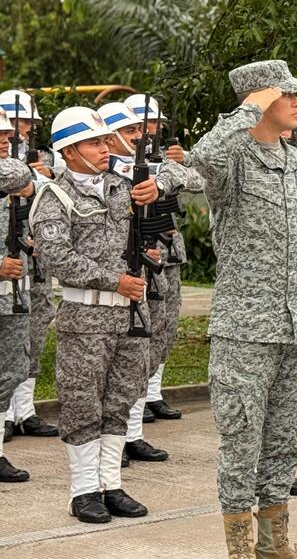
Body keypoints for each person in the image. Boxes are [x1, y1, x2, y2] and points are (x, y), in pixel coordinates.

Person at [173, 60, 297, 559]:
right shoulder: (234, 161)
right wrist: (248, 107)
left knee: (286, 442)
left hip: (296, 328)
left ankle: (274, 546)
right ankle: (241, 551)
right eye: (287, 94)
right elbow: (202, 155)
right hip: (245, 329)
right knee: (241, 443)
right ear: (262, 101)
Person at [31, 106, 160, 523]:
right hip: (85, 317)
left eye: (105, 141)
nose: (104, 148)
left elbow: (130, 240)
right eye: (93, 142)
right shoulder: (55, 196)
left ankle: (111, 484)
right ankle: (84, 490)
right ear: (68, 151)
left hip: (127, 315)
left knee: (118, 401)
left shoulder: (122, 188)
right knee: (82, 404)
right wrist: (112, 280)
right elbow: (56, 257)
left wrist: (146, 256)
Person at [97, 101, 170, 466]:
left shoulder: (139, 170)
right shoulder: (103, 180)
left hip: (140, 277)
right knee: (105, 373)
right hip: (110, 285)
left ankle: (132, 434)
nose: (139, 136)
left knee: (138, 359)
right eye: (129, 132)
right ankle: (109, 445)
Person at [1, 89, 59, 440]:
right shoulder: (14, 167)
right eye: (10, 129)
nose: (16, 135)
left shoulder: (37, 159)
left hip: (22, 276)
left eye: (13, 132)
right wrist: (35, 179)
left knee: (18, 358)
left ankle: (21, 412)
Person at [125, 93, 186, 422]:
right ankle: (137, 400)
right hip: (140, 257)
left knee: (165, 327)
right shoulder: (121, 164)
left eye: (153, 125)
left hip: (168, 256)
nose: (150, 131)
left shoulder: (166, 159)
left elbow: (190, 187)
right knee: (143, 329)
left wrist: (179, 162)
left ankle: (152, 393)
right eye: (144, 125)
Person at [0, 110, 38, 482]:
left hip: (13, 296)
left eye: (7, 132)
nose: (3, 137)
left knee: (9, 373)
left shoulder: (18, 171)